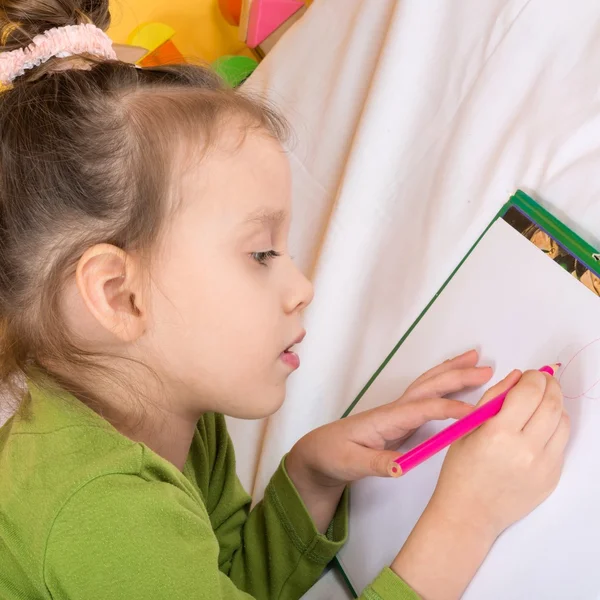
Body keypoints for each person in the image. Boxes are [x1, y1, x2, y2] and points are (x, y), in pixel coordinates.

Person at [0, 3, 570, 599]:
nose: (302, 288)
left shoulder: (174, 411)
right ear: (121, 296)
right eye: (261, 254)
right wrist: (465, 521)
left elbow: (226, 584)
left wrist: (309, 478)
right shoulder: (101, 514)